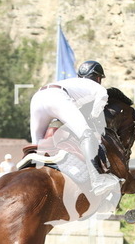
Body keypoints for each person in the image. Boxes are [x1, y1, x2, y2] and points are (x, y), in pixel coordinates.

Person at [29, 60, 117, 195]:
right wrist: (94, 116)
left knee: (37, 144)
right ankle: (97, 180)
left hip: (37, 98)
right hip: (57, 97)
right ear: (98, 78)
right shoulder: (96, 87)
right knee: (86, 134)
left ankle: (27, 173)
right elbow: (103, 96)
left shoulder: (72, 84)